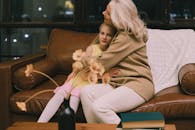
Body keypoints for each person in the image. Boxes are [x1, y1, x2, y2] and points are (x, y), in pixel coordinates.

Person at [80, 0, 154, 127]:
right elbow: (91, 49)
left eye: (107, 13)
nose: (103, 13)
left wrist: (85, 57)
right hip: (118, 83)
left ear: (117, 17)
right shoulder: (114, 31)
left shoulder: (127, 36)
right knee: (86, 92)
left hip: (137, 85)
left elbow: (99, 63)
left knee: (100, 107)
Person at [37, 22, 116, 122]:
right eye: (102, 33)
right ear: (99, 34)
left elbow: (105, 74)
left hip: (90, 82)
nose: (104, 37)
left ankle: (69, 125)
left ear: (113, 38)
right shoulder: (91, 48)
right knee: (60, 93)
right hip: (79, 77)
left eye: (108, 35)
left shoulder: (111, 54)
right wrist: (73, 72)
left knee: (75, 97)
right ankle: (40, 123)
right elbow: (81, 63)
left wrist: (103, 76)